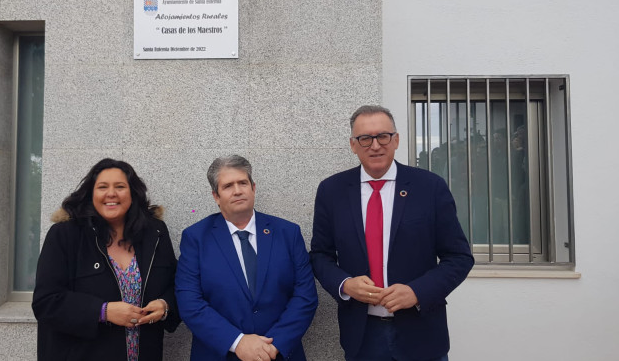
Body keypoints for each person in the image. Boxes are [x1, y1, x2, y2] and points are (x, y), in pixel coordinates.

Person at [310, 105, 474, 361]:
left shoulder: (429, 187)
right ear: (353, 145)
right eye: (365, 138)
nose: (375, 145)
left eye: (383, 136)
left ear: (395, 140)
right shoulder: (332, 191)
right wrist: (345, 284)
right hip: (362, 335)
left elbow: (459, 257)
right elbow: (321, 255)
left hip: (421, 333)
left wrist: (417, 292)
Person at [32, 158, 180, 361]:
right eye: (102, 187)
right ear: (91, 194)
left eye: (120, 186)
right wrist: (103, 311)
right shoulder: (65, 234)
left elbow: (176, 283)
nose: (111, 193)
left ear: (132, 193)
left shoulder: (154, 233)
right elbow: (46, 301)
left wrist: (165, 305)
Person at [176, 155, 318, 361]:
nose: (237, 190)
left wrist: (275, 343)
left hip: (278, 353)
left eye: (243, 183)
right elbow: (189, 302)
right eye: (228, 186)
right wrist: (237, 342)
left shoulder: (288, 233)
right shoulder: (195, 238)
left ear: (253, 188)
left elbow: (305, 296)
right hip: (221, 353)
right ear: (216, 196)